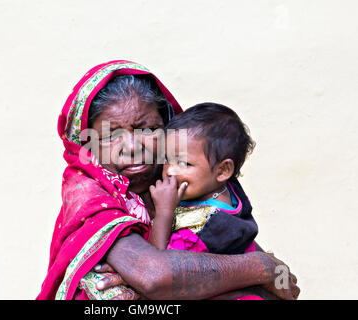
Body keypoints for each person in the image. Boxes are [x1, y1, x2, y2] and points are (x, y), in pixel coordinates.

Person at [37, 60, 299, 300]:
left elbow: (238, 246)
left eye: (148, 129)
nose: (131, 147)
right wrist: (261, 268)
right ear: (87, 145)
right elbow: (154, 277)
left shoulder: (186, 174)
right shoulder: (91, 198)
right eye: (109, 135)